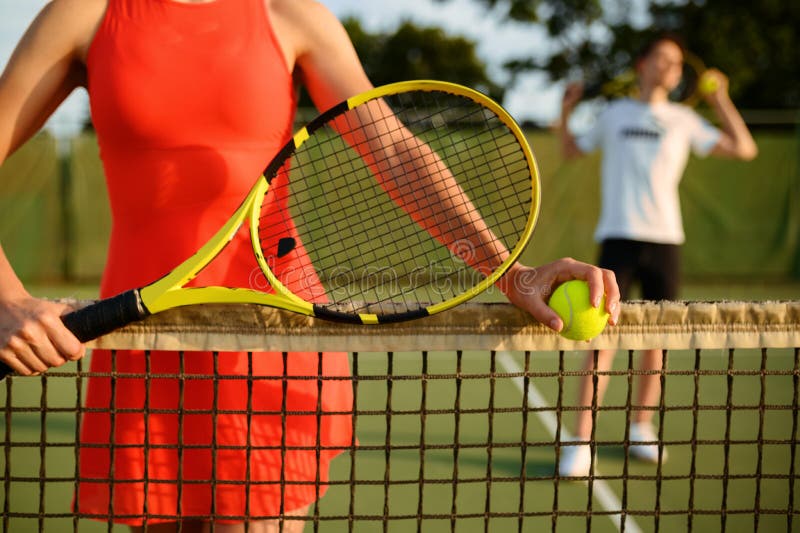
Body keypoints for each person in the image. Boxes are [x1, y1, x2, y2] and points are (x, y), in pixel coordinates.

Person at [0, 0, 621, 530]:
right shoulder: (84, 14)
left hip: (274, 334)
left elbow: (395, 152)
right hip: (144, 343)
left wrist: (512, 273)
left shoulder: (290, 14)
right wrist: (5, 295)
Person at [556, 33, 757, 477]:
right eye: (662, 59)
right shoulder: (615, 114)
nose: (670, 67)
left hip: (666, 240)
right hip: (618, 240)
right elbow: (570, 150)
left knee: (657, 342)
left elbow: (745, 148)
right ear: (643, 63)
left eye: (677, 62)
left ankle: (640, 429)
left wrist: (721, 98)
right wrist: (566, 108)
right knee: (600, 341)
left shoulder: (685, 120)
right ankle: (580, 441)